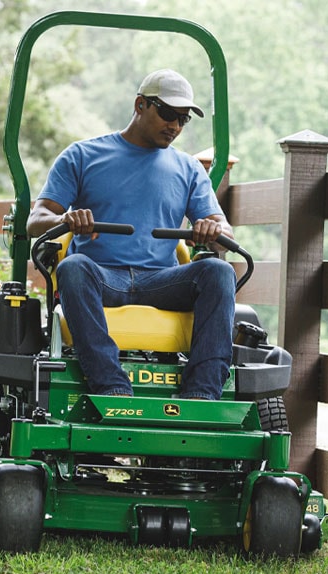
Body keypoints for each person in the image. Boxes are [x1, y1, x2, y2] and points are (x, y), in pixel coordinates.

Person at [26, 69, 236, 400]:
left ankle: (203, 395)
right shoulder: (83, 156)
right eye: (168, 114)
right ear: (140, 105)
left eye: (183, 119)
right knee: (73, 267)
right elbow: (36, 218)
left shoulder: (189, 169)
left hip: (162, 281)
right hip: (102, 278)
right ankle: (112, 387)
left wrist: (211, 229)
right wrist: (66, 218)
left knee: (218, 271)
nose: (175, 127)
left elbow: (224, 227)